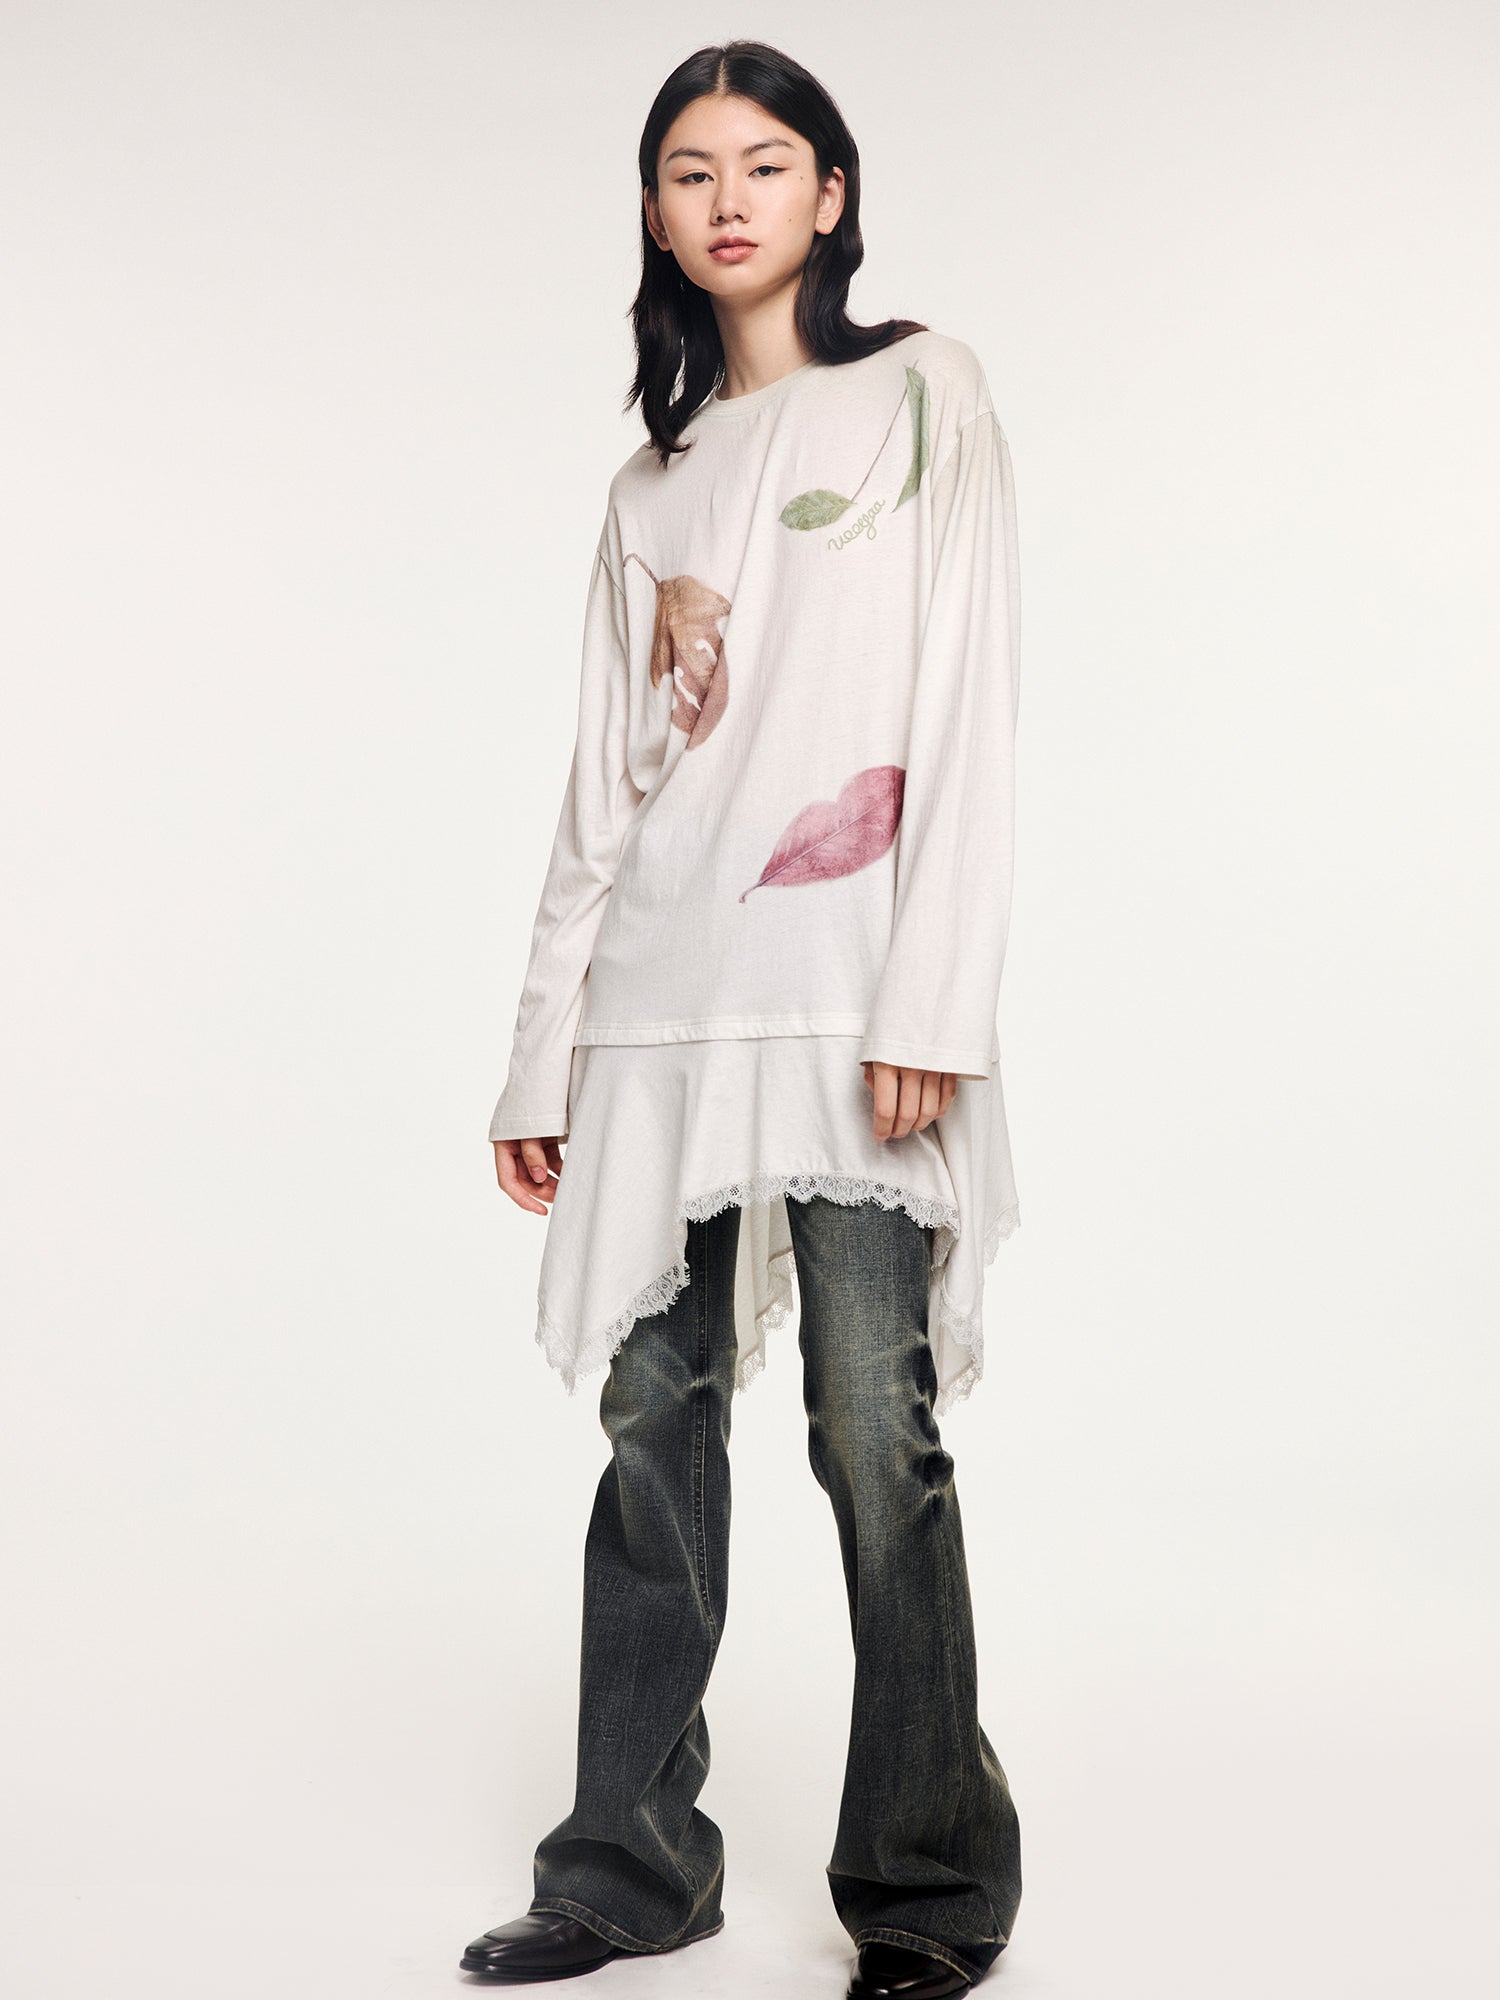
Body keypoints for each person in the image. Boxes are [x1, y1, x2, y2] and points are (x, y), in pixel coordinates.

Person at [461, 39, 1024, 2000]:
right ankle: (629, 1866)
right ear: (654, 210)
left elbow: (970, 700)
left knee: (875, 1424)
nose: (727, 199)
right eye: (690, 170)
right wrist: (541, 1047)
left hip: (853, 991)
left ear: (831, 194)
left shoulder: (925, 392)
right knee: (653, 1422)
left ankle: (929, 1884)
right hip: (658, 1003)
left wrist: (934, 994)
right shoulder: (653, 482)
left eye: (765, 163)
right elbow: (604, 782)